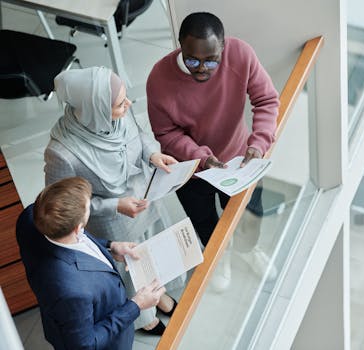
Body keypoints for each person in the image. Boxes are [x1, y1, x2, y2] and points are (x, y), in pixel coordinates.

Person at [147, 12, 279, 290]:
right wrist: (201, 157)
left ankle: (247, 250)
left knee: (250, 215)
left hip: (241, 161)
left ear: (223, 48)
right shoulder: (159, 79)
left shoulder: (241, 54)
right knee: (206, 221)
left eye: (212, 60)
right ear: (180, 45)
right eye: (192, 59)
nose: (202, 69)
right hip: (193, 172)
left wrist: (258, 144)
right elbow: (166, 133)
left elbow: (266, 99)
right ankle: (221, 256)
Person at [44, 67, 176, 333]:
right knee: (130, 267)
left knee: (152, 248)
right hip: (114, 222)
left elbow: (139, 135)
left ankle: (157, 293)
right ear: (95, 108)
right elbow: (61, 206)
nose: (128, 105)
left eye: (126, 98)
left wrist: (152, 155)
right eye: (119, 104)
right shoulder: (62, 153)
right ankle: (145, 317)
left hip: (144, 198)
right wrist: (114, 205)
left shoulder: (120, 116)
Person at [16, 177, 166, 350]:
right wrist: (136, 305)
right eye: (88, 208)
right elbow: (85, 345)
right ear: (78, 228)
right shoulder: (72, 291)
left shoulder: (31, 215)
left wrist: (111, 246)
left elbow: (77, 239)